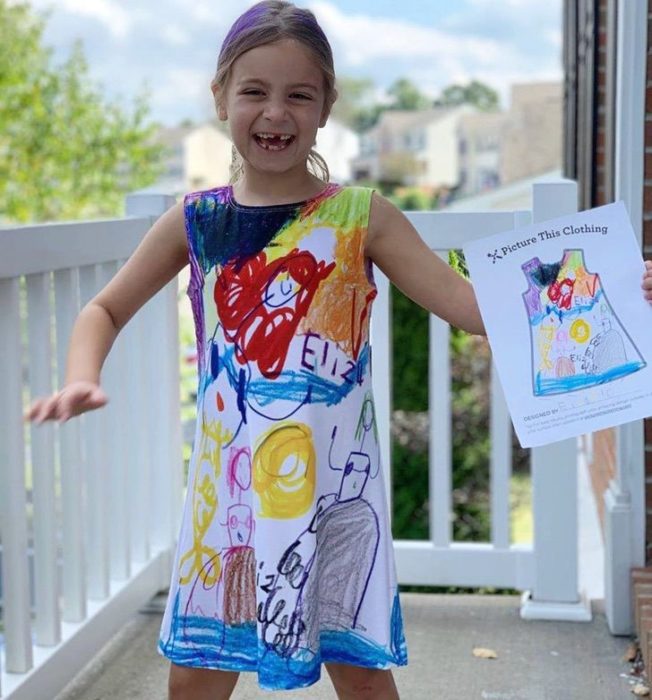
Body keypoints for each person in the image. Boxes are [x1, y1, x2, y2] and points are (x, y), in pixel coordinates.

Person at [24, 1, 652, 699]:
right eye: (255, 92)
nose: (275, 113)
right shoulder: (196, 221)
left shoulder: (362, 218)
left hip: (335, 503)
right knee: (197, 677)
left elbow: (474, 309)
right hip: (228, 504)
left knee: (359, 674)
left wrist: (618, 292)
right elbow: (103, 308)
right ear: (220, 98)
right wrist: (82, 375)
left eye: (299, 94)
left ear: (326, 105)